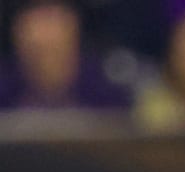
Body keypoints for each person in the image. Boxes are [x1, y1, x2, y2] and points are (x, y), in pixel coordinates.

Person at [0, 0, 131, 115]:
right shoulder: (4, 90)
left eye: (51, 18)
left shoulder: (107, 95)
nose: (44, 33)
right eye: (36, 18)